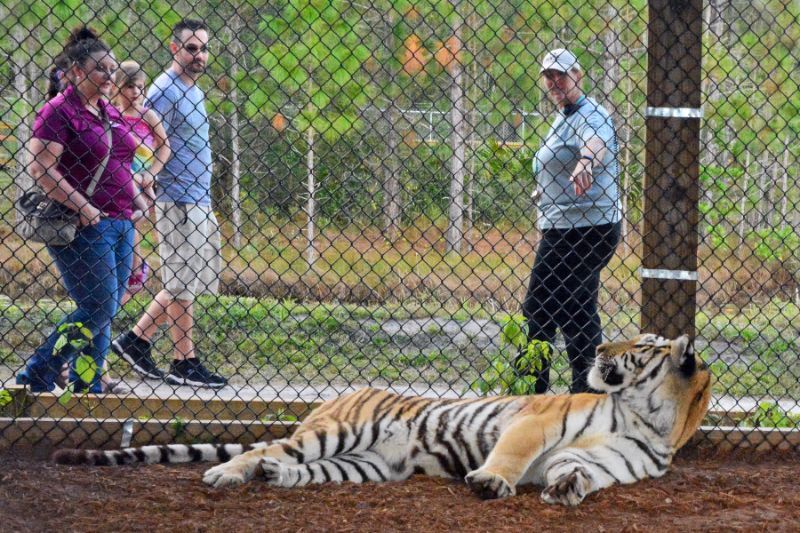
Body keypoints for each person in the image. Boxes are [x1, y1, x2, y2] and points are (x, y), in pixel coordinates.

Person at [16, 26, 145, 393]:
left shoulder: (106, 110)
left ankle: (87, 384)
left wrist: (137, 198)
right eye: (101, 68)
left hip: (121, 221)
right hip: (83, 224)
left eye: (112, 69)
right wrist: (83, 206)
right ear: (75, 71)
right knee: (98, 305)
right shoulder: (59, 111)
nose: (110, 76)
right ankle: (39, 371)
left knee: (104, 308)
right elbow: (41, 169)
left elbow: (120, 159)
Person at [112, 19, 226, 389]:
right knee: (180, 280)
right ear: (174, 48)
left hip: (198, 196)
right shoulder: (164, 90)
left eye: (204, 48)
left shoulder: (192, 90)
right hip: (175, 197)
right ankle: (183, 359)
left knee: (187, 279)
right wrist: (144, 184)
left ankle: (138, 340)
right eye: (191, 48)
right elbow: (140, 138)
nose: (199, 55)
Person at [520, 48, 621, 394]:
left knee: (545, 308)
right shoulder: (563, 116)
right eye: (548, 75)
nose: (554, 81)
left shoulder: (591, 113)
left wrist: (586, 163)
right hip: (564, 227)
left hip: (586, 229)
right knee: (573, 306)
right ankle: (583, 391)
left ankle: (536, 392)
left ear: (578, 75)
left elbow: (594, 142)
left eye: (561, 74)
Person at [113, 60, 171, 304]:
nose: (136, 93)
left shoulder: (148, 115)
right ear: (117, 88)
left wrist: (152, 173)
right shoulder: (111, 114)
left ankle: (136, 269)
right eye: (129, 87)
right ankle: (131, 267)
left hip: (143, 179)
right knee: (126, 221)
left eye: (140, 87)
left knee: (133, 219)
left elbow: (164, 146)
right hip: (119, 178)